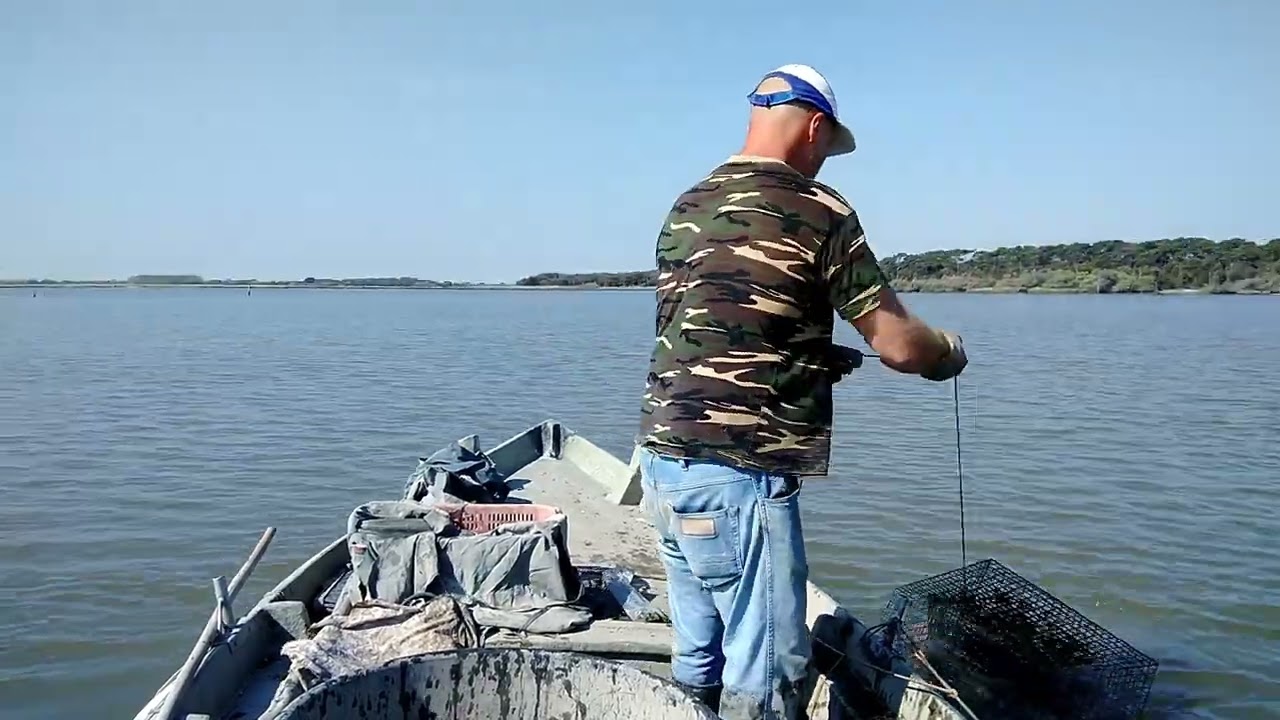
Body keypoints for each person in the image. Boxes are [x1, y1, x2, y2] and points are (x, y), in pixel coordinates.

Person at [635, 64, 968, 719]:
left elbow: (702, 333)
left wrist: (808, 356)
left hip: (662, 464)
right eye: (825, 148)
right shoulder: (818, 209)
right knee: (770, 675)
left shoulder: (689, 203)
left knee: (699, 648)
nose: (822, 163)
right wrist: (945, 353)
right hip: (741, 476)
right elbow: (899, 344)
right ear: (814, 127)